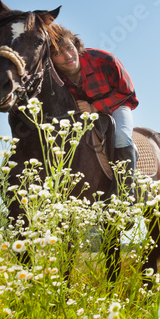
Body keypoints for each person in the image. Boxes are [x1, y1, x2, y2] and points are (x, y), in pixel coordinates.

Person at [48, 23, 139, 199]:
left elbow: (127, 92)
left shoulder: (105, 59)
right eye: (57, 53)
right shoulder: (54, 78)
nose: (67, 56)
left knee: (121, 135)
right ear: (50, 59)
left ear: (76, 44)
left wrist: (94, 108)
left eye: (69, 47)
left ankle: (126, 193)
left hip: (116, 106)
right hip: (80, 114)